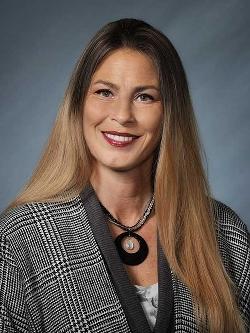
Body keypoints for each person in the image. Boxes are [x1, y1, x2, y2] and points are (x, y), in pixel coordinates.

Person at [0, 18, 249, 333]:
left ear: (169, 113)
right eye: (105, 92)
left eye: (144, 96)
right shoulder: (22, 237)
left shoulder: (224, 232)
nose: (122, 115)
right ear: (79, 105)